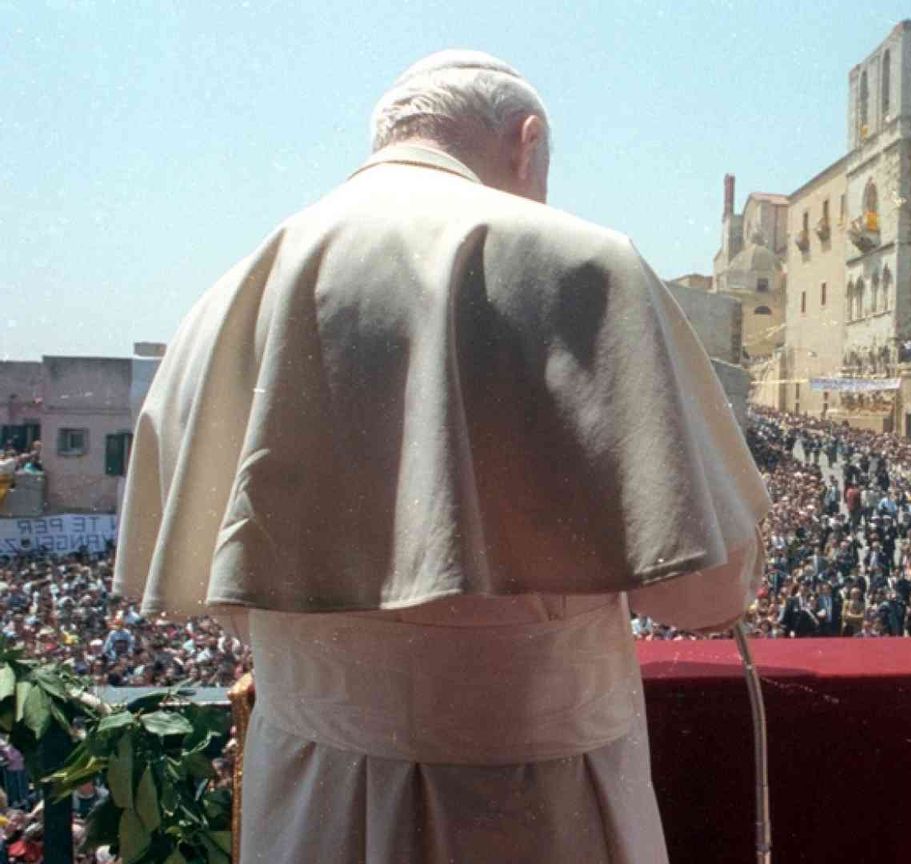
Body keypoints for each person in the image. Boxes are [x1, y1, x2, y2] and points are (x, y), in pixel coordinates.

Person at [113, 50, 770, 863]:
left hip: (304, 802)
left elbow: (227, 591)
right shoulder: (586, 265)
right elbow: (702, 596)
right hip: (532, 803)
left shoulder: (225, 297)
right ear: (527, 144)